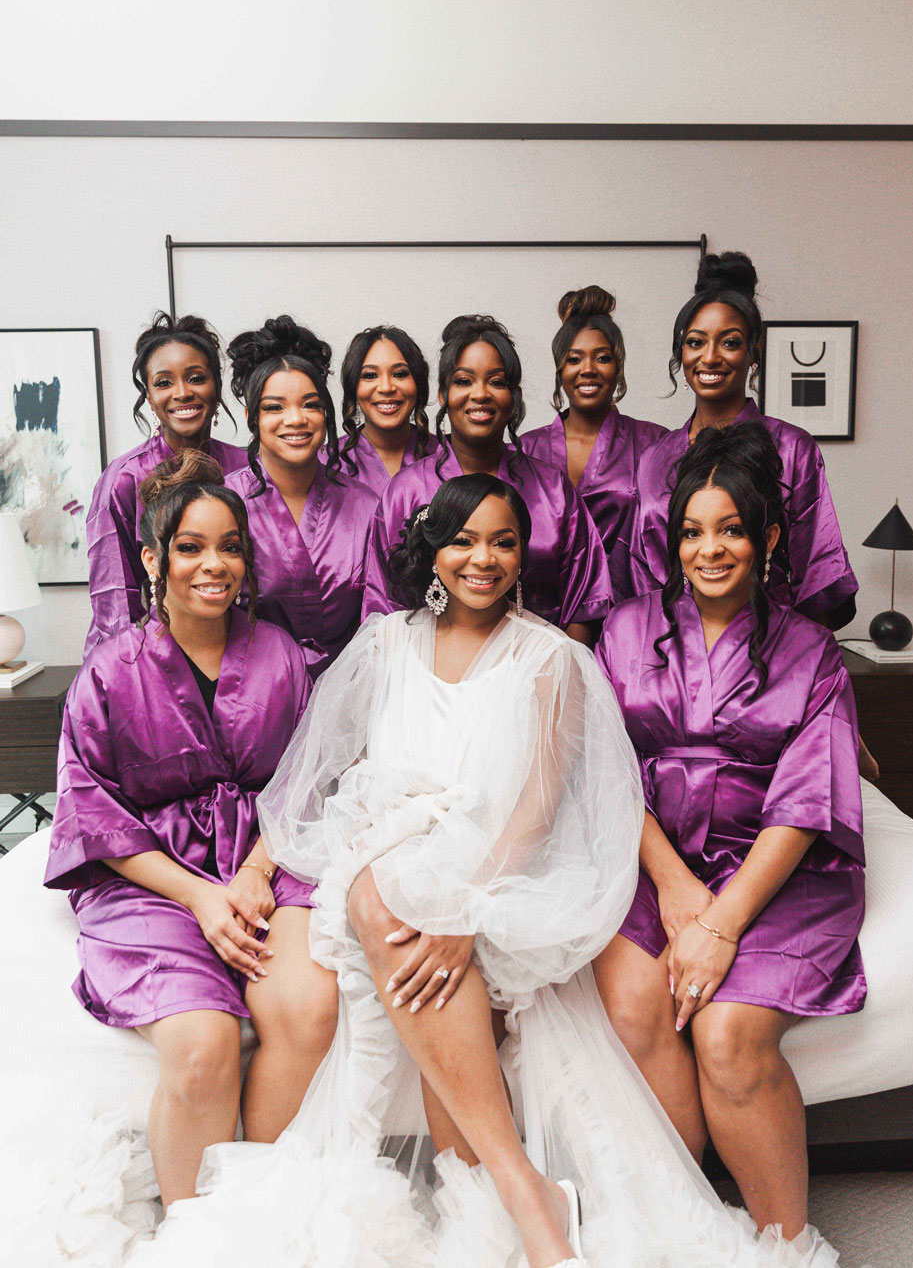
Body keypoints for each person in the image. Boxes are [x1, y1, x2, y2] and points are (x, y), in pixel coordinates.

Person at [137, 474, 839, 1268]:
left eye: (503, 542)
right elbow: (327, 773)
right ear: (430, 549)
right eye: (462, 540)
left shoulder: (553, 657)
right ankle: (514, 1188)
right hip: (392, 846)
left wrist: (467, 906)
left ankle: (505, 1191)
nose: (483, 558)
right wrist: (262, 868)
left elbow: (537, 808)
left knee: (395, 904)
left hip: (505, 868)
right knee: (382, 894)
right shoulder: (384, 642)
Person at [595, 422, 866, 1242]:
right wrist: (675, 888)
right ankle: (683, 1226)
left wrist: (719, 922)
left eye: (731, 530)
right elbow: (604, 769)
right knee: (638, 1003)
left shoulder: (811, 651)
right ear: (670, 538)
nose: (708, 549)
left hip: (776, 869)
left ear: (769, 537)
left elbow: (806, 800)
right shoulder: (622, 630)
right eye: (690, 530)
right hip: (652, 854)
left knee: (726, 1032)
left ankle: (786, 1246)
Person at [45, 452, 337, 1208]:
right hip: (152, 878)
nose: (215, 564)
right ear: (152, 557)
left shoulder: (281, 654)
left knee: (309, 1011)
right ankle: (196, 1236)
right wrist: (203, 899)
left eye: (231, 546)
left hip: (269, 861)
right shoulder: (108, 674)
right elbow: (92, 812)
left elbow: (307, 780)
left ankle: (255, 1211)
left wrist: (253, 873)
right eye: (190, 546)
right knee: (204, 1048)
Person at [629, 252, 858, 630]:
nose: (710, 357)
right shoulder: (656, 456)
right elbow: (641, 574)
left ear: (755, 351)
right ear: (680, 352)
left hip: (769, 644)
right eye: (696, 342)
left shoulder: (791, 449)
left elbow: (818, 569)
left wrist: (796, 661)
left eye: (730, 343)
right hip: (670, 646)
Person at [363, 314, 612, 644]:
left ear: (514, 395)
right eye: (464, 381)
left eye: (496, 382)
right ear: (442, 393)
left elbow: (584, 604)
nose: (480, 394)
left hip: (535, 675)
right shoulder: (406, 491)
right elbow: (384, 605)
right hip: (432, 679)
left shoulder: (553, 491)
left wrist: (553, 680)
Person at [84, 313, 246, 657]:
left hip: (241, 651)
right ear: (147, 394)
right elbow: (115, 599)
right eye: (163, 382)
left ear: (216, 385)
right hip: (152, 657)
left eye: (196, 378)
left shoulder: (247, 467)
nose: (182, 393)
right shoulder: (124, 479)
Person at [225, 316, 377, 680]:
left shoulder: (366, 505)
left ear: (326, 414)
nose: (296, 419)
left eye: (310, 404)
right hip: (253, 688)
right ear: (251, 417)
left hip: (352, 687)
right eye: (274, 407)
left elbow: (381, 614)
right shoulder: (223, 504)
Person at [521, 286, 666, 600]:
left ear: (618, 368)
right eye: (574, 359)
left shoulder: (655, 445)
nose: (588, 369)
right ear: (560, 369)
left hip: (630, 613)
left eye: (602, 358)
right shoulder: (524, 451)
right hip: (544, 617)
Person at [334, 325, 432, 494]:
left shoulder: (445, 458)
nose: (386, 388)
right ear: (353, 387)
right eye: (370, 375)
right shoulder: (328, 462)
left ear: (418, 383)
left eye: (400, 374)